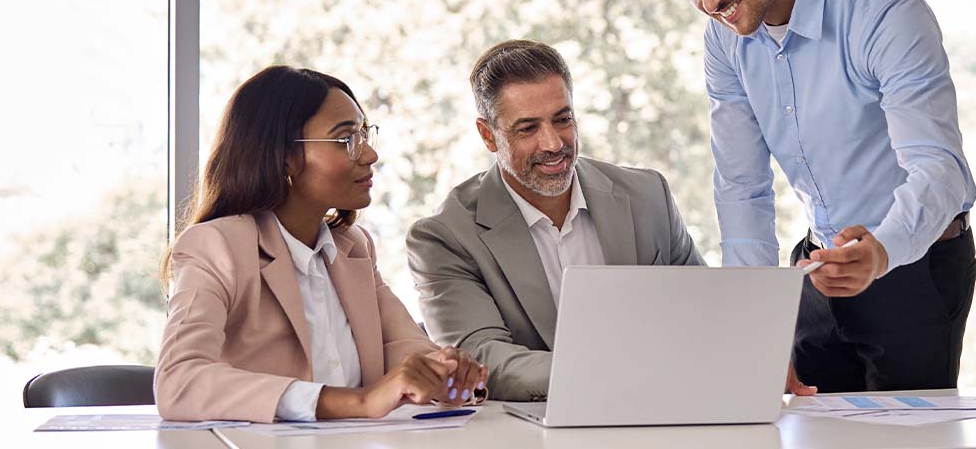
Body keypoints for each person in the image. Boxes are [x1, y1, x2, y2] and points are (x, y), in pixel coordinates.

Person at [646, 0, 976, 394]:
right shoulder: (724, 43)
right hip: (816, 269)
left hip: (912, 264)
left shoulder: (882, 9)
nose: (709, 2)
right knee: (805, 430)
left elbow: (940, 169)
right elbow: (742, 186)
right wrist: (755, 327)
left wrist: (881, 251)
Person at [155, 66, 486, 422]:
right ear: (284, 157)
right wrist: (359, 402)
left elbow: (404, 348)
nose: (369, 155)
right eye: (346, 139)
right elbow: (178, 380)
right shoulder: (216, 246)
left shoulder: (353, 248)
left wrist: (445, 372)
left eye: (364, 134)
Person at [407, 40, 704, 402]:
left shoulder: (648, 196)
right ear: (488, 135)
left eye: (562, 120)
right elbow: (482, 358)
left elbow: (702, 309)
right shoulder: (445, 236)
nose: (552, 144)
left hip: (665, 413)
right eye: (528, 128)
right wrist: (616, 372)